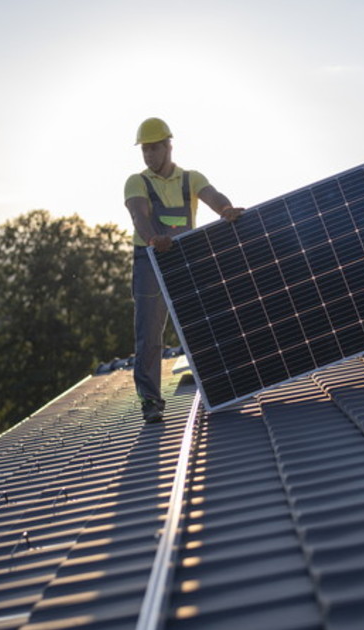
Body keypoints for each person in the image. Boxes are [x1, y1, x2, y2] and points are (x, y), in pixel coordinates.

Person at [124, 117, 242, 422]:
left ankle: (224, 385)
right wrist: (153, 238)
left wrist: (226, 210)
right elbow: (139, 214)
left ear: (168, 146)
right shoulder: (137, 182)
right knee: (149, 334)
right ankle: (150, 401)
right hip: (149, 260)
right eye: (145, 150)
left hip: (185, 258)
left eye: (154, 148)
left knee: (202, 324)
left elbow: (214, 197)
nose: (148, 155)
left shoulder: (191, 179)